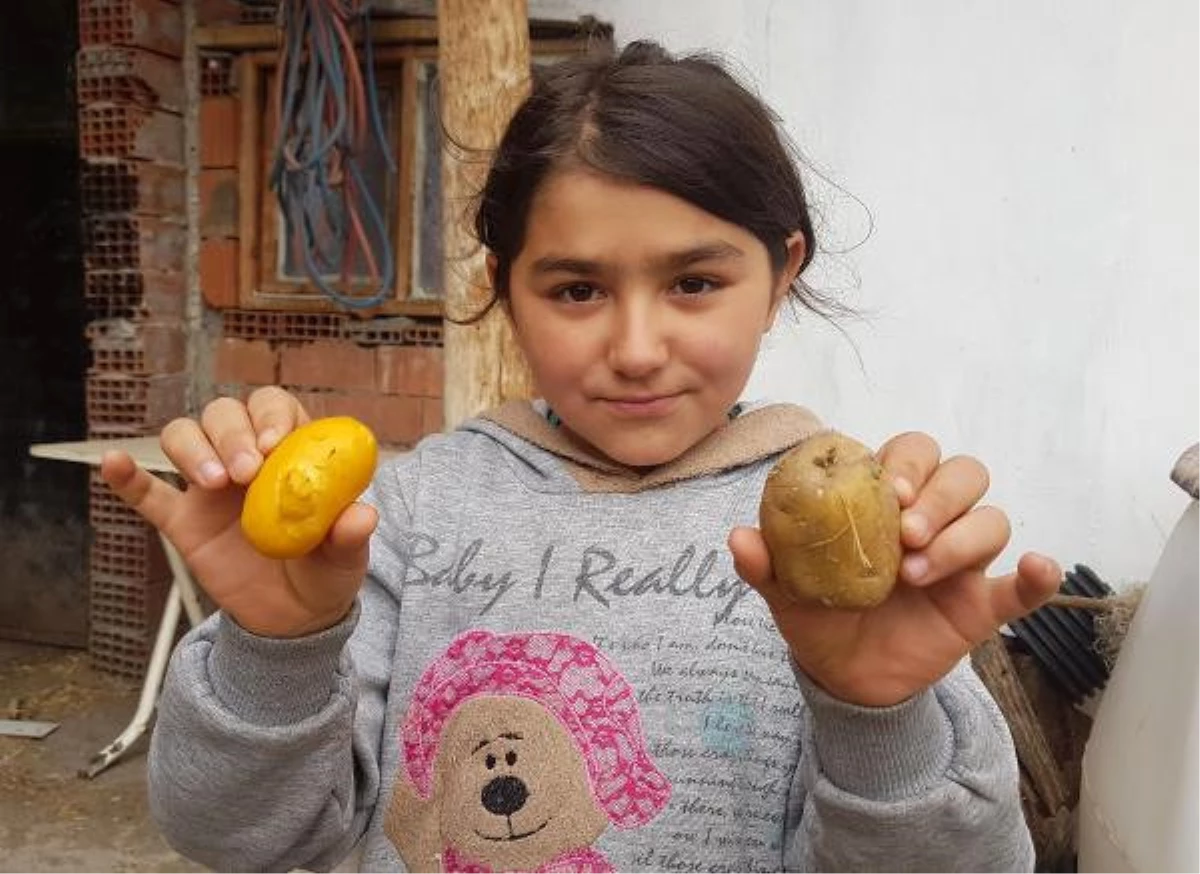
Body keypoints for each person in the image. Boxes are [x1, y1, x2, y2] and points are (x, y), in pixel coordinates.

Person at [102, 40, 1060, 873]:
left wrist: (878, 719)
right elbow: (240, 838)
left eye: (694, 281)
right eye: (575, 290)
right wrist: (274, 647)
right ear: (505, 290)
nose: (637, 348)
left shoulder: (864, 549)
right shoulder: (403, 519)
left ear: (781, 279)